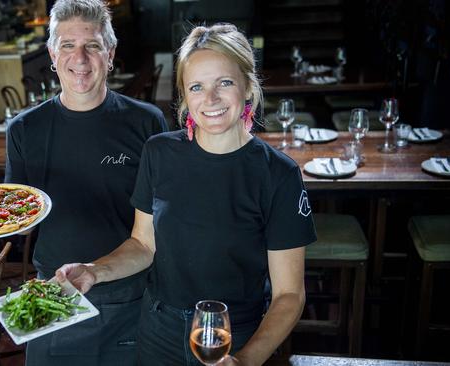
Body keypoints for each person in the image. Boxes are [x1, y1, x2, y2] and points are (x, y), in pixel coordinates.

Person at [56, 23, 316, 366]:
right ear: (184, 96)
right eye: (196, 87)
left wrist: (246, 360)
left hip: (234, 334)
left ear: (248, 87)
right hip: (158, 327)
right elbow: (144, 244)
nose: (210, 99)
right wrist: (94, 271)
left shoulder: (278, 175)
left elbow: (289, 295)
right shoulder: (159, 152)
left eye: (224, 83)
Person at [4, 0, 168, 364]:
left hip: (131, 293)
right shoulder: (23, 130)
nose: (80, 58)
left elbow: (160, 225)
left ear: (109, 54)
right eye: (67, 45)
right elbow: (15, 217)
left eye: (92, 45)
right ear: (51, 53)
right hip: (55, 291)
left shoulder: (147, 123)